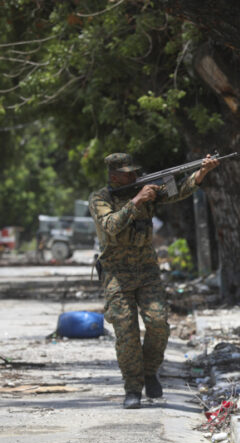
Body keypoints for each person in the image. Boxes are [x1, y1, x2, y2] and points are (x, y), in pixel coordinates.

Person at [89, 152, 220, 409]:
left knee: (159, 322)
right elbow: (110, 226)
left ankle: (150, 372)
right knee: (126, 331)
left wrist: (202, 172)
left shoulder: (147, 190)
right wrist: (137, 201)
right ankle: (132, 388)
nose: (135, 176)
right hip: (117, 273)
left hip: (147, 270)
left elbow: (178, 191)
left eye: (135, 171)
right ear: (114, 175)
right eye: (128, 173)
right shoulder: (101, 198)